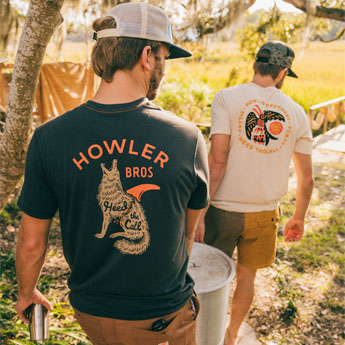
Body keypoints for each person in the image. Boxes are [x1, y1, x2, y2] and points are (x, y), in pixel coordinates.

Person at [15, 3, 209, 345]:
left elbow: (32, 243)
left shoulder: (49, 138)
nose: (162, 68)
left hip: (94, 316)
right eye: (164, 56)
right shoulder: (187, 138)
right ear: (147, 56)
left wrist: (27, 293)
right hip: (163, 318)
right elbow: (186, 235)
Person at [195, 41, 314, 345]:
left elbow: (216, 161)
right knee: (247, 278)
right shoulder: (298, 114)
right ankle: (231, 335)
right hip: (265, 213)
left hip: (222, 211)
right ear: (283, 72)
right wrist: (298, 217)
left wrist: (200, 214)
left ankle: (201, 334)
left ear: (255, 65)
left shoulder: (227, 98)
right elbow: (307, 179)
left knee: (209, 279)